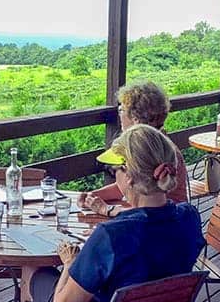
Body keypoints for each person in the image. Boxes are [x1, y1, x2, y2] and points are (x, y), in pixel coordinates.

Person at [0, 124, 205, 302]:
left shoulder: (112, 236)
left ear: (128, 176)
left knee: (33, 269)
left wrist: (70, 263)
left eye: (114, 171)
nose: (114, 177)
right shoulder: (189, 218)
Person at [78, 81, 188, 218]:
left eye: (121, 110)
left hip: (162, 227)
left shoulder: (152, 152)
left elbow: (153, 212)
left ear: (135, 118)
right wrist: (94, 196)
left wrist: (108, 209)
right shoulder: (158, 146)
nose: (119, 115)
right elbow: (133, 184)